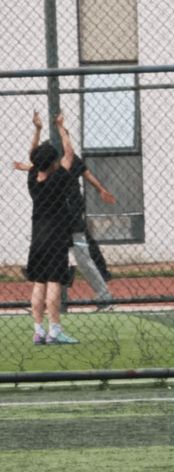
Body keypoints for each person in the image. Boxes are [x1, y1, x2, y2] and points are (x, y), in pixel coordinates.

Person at [16, 112, 116, 310]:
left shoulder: (67, 164)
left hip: (72, 218)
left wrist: (101, 189)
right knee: (52, 260)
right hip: (56, 222)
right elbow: (38, 162)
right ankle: (52, 300)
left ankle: (104, 298)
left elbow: (84, 171)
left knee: (83, 259)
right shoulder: (53, 169)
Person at [26, 113, 79, 344]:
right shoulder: (58, 179)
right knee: (54, 281)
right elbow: (70, 154)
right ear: (53, 164)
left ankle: (38, 330)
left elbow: (33, 155)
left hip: (38, 237)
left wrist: (37, 130)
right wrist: (60, 127)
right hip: (56, 237)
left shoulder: (32, 178)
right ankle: (55, 330)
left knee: (39, 282)